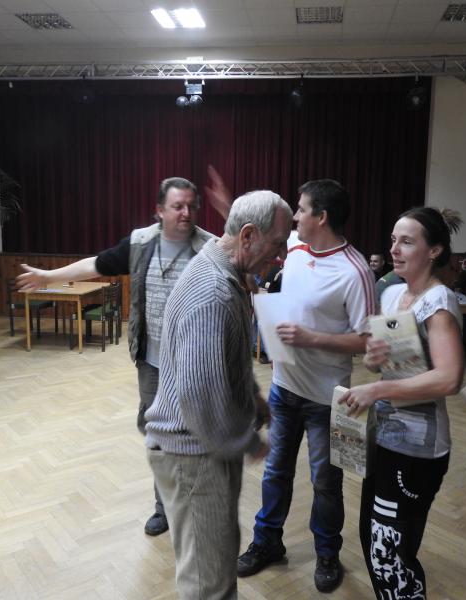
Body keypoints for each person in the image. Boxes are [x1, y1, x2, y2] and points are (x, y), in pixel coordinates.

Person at [16, 177, 214, 537]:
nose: (186, 213)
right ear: (159, 210)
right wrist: (47, 276)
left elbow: (247, 273)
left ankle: (196, 505)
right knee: (158, 436)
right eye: (177, 206)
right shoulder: (140, 243)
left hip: (196, 362)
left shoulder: (210, 248)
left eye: (191, 205)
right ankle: (164, 508)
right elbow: (96, 264)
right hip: (153, 363)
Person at [144, 190, 293, 600]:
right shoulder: (213, 292)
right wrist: (249, 442)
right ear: (248, 236)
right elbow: (202, 399)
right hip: (194, 454)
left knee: (216, 561)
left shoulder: (223, 273)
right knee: (208, 584)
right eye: (278, 243)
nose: (281, 255)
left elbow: (224, 363)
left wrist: (252, 397)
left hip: (200, 449)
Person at [233, 179, 375, 593]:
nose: (295, 216)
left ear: (322, 217)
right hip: (283, 388)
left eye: (301, 208)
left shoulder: (356, 271)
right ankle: (267, 542)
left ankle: (327, 553)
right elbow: (259, 238)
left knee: (326, 482)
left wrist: (311, 338)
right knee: (275, 472)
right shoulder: (295, 245)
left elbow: (368, 341)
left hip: (328, 400)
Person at [338, 207, 464, 600]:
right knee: (374, 538)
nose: (394, 249)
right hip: (387, 438)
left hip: (418, 450)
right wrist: (376, 359)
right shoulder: (394, 293)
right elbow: (393, 365)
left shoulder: (438, 300)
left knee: (391, 552)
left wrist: (376, 391)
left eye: (407, 242)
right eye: (393, 240)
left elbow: (449, 378)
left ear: (434, 251)